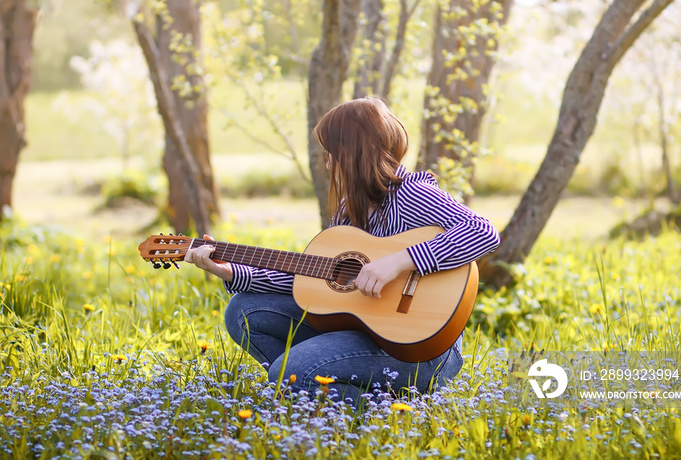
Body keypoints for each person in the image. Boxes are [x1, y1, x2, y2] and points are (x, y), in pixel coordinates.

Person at [185, 97, 500, 403]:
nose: (326, 163)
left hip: (421, 349)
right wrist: (231, 271)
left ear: (352, 153)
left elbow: (483, 232)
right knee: (243, 311)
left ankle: (381, 407)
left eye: (330, 153)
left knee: (292, 372)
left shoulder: (413, 193)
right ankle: (310, 390)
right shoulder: (351, 212)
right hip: (368, 333)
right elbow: (316, 283)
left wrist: (398, 262)